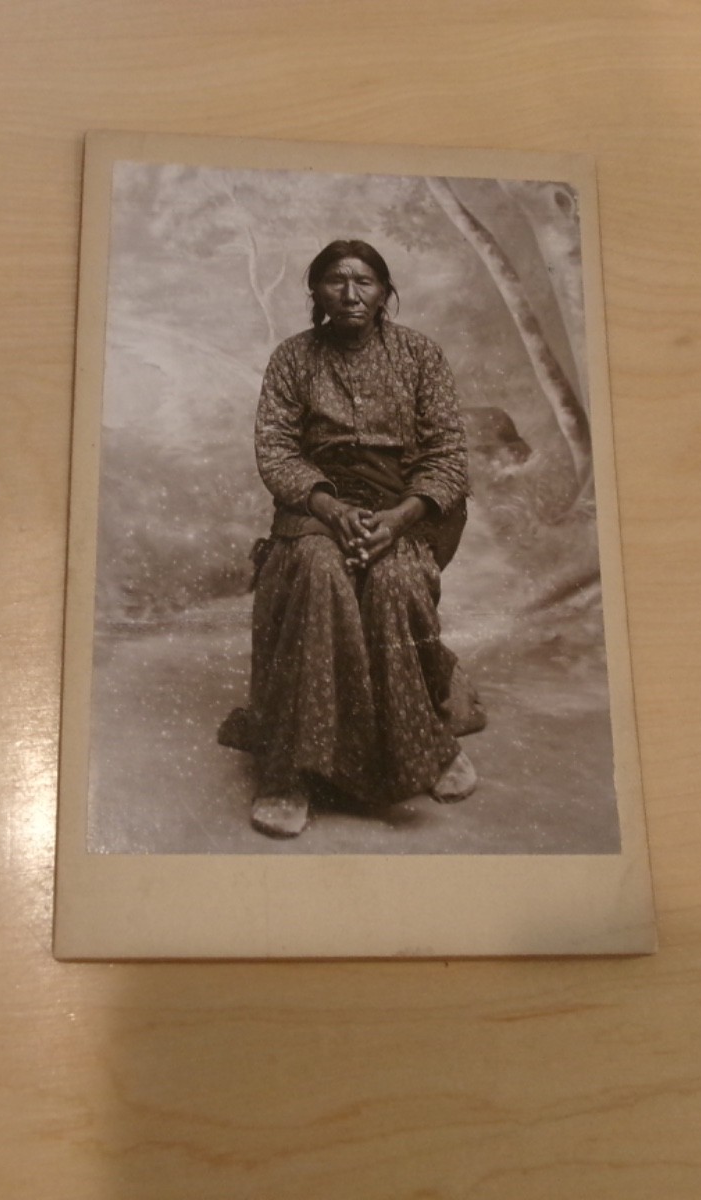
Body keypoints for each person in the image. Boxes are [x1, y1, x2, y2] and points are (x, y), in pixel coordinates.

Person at [221, 239, 484, 838]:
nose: (350, 294)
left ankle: (427, 748)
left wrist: (398, 519)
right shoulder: (293, 359)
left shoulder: (420, 355)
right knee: (319, 577)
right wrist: (329, 507)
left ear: (385, 291)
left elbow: (447, 455)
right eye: (335, 281)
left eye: (364, 281)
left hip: (402, 509)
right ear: (315, 292)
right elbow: (276, 450)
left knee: (395, 583)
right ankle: (290, 774)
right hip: (314, 511)